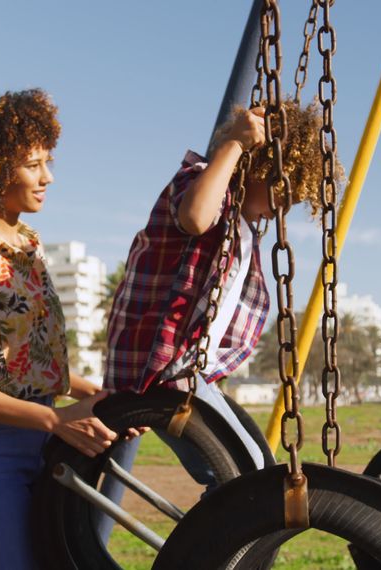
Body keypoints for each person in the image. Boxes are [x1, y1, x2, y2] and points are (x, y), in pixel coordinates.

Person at [98, 100, 341, 541]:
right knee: (237, 479)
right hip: (160, 365)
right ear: (259, 167)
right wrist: (235, 144)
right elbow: (194, 218)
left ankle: (213, 553)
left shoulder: (243, 222)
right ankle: (197, 556)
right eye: (282, 193)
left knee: (257, 467)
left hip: (189, 372)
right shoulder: (204, 185)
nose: (282, 209)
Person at [0, 89, 126, 570]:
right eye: (33, 164)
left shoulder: (28, 247)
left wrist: (89, 391)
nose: (47, 177)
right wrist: (55, 419)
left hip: (38, 439)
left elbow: (17, 358)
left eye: (47, 161)